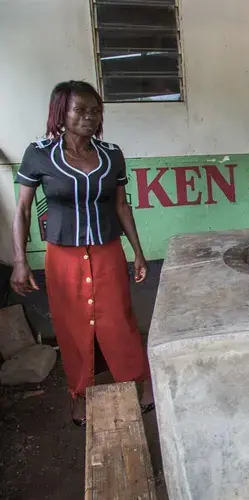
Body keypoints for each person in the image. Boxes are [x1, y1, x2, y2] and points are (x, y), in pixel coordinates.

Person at [10, 81, 154, 426]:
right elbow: (23, 211)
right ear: (61, 112)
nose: (89, 117)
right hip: (63, 259)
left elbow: (121, 206)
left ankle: (141, 384)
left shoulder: (111, 155)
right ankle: (79, 395)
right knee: (71, 327)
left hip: (107, 252)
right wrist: (19, 261)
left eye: (95, 110)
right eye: (80, 110)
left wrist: (137, 251)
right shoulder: (40, 153)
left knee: (119, 320)